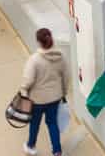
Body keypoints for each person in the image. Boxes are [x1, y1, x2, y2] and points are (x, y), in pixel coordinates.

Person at [20, 28, 68, 156]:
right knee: (52, 123)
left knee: (35, 123)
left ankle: (31, 146)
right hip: (55, 98)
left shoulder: (34, 60)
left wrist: (23, 90)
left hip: (37, 100)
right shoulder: (60, 56)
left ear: (38, 42)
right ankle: (57, 151)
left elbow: (28, 80)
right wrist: (63, 93)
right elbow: (65, 77)